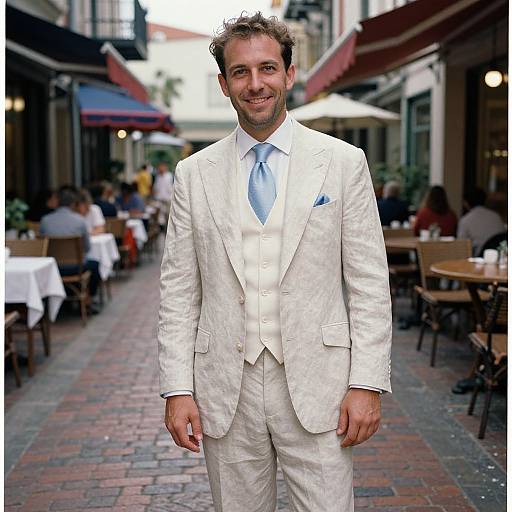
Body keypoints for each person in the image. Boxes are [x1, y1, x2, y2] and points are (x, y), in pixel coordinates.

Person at [158, 14, 391, 511]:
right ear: (224, 84)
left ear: (289, 74)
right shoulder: (193, 174)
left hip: (320, 384)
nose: (255, 83)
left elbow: (370, 283)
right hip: (226, 386)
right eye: (240, 72)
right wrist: (177, 389)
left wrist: (367, 382)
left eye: (267, 68)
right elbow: (178, 292)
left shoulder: (343, 162)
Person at [40, 186, 101, 306]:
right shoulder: (80, 221)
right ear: (73, 204)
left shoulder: (45, 220)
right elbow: (87, 248)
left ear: (57, 202)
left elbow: (43, 247)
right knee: (95, 264)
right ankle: (89, 299)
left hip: (53, 268)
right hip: (76, 268)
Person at [457, 187, 506, 256]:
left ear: (466, 203)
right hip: (499, 256)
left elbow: (461, 247)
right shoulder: (496, 216)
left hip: (479, 259)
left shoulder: (466, 220)